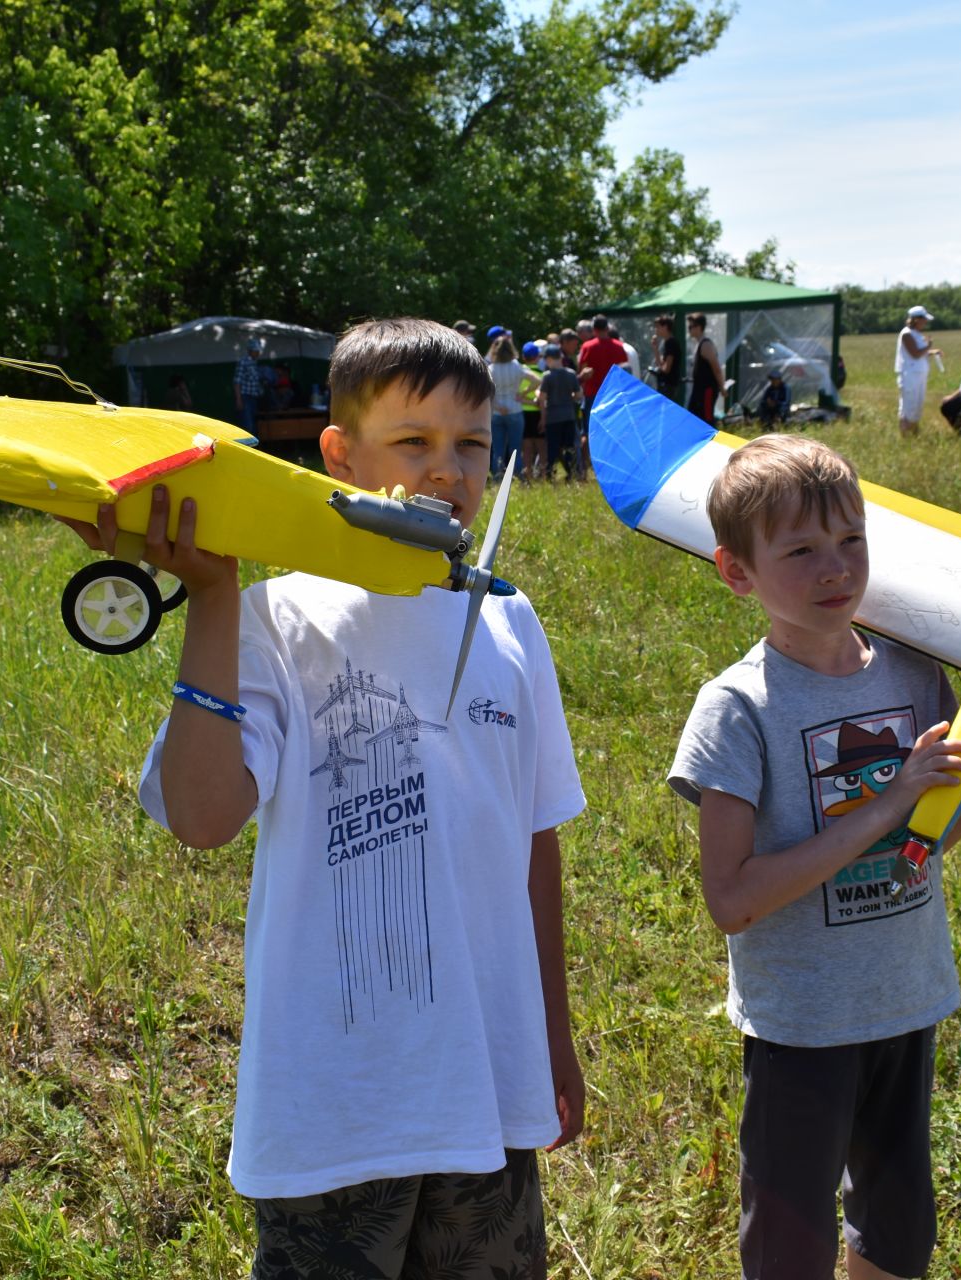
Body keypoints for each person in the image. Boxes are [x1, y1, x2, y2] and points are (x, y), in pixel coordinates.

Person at [58, 317, 587, 1279]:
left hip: (488, 1084)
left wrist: (552, 1037)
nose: (449, 471)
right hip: (337, 1110)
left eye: (472, 444)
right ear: (338, 456)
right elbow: (202, 817)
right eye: (414, 442)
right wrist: (214, 597)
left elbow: (535, 840)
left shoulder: (510, 620)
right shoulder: (277, 620)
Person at [667, 434, 961, 1280]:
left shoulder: (914, 674)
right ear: (736, 572)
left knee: (896, 1234)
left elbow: (920, 845)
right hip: (802, 1023)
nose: (834, 569)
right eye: (801, 550)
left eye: (851, 541)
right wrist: (888, 799)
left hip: (902, 998)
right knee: (790, 1245)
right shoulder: (735, 709)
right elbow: (731, 900)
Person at [576, 314, 628, 482]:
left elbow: (583, 371)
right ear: (607, 328)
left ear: (594, 329)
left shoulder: (587, 346)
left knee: (588, 432)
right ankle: (614, 468)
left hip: (593, 394)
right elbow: (623, 371)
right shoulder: (619, 347)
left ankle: (584, 469)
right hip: (614, 395)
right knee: (615, 432)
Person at [486, 333, 539, 480]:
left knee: (498, 449)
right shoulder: (517, 367)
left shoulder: (491, 369)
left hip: (497, 412)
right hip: (515, 409)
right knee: (516, 448)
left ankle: (497, 478)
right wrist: (523, 394)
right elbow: (537, 381)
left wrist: (496, 404)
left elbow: (485, 391)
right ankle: (519, 477)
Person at [536, 346, 583, 483]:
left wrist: (543, 419)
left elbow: (542, 399)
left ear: (549, 359)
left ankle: (550, 474)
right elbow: (579, 395)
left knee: (553, 447)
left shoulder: (547, 376)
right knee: (569, 446)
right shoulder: (571, 374)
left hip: (553, 417)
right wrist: (569, 398)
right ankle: (572, 473)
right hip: (568, 415)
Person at [893, 306, 940, 438]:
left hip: (918, 375)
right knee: (908, 408)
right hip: (910, 376)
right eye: (924, 319)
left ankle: (914, 434)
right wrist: (928, 346)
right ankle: (906, 435)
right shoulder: (906, 334)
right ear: (916, 319)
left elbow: (921, 353)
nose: (925, 322)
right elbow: (915, 354)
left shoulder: (917, 334)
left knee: (917, 406)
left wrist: (932, 351)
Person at [687, 313, 723, 424]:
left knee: (706, 420)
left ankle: (712, 440)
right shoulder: (699, 344)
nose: (689, 330)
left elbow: (716, 368)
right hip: (699, 390)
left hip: (707, 389)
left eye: (691, 327)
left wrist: (722, 387)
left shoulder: (706, 345)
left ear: (698, 327)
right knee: (695, 416)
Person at [518, 340, 547, 481]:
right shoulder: (542, 375)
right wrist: (543, 417)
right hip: (537, 413)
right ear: (538, 357)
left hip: (522, 413)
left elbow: (517, 397)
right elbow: (542, 400)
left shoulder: (519, 373)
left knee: (527, 449)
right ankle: (542, 476)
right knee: (541, 447)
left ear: (523, 357)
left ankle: (527, 477)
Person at [234, 338, 266, 437]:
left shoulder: (254, 363)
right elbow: (237, 382)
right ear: (250, 351)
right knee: (248, 426)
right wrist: (239, 400)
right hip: (245, 398)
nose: (258, 353)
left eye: (258, 351)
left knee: (253, 424)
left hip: (253, 398)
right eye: (256, 351)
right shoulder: (243, 362)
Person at [652, 316, 684, 403]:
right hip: (667, 385)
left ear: (665, 327)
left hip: (668, 386)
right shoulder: (667, 342)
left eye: (658, 327)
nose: (656, 329)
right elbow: (662, 364)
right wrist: (655, 349)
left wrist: (658, 369)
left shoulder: (671, 343)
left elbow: (666, 369)